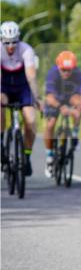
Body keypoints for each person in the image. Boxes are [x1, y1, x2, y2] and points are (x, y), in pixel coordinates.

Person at [0, 21, 40, 176]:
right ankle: (1, 143)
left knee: (31, 121)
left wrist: (37, 97)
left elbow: (31, 76)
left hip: (22, 86)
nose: (11, 46)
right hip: (4, 86)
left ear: (19, 39)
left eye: (14, 42)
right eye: (7, 42)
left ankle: (26, 156)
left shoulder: (26, 50)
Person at [43, 50, 81, 178]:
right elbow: (49, 97)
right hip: (56, 99)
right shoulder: (52, 74)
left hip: (70, 97)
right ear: (58, 67)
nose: (66, 73)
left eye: (69, 70)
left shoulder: (79, 74)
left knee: (78, 105)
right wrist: (60, 107)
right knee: (50, 124)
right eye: (63, 70)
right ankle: (49, 156)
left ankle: (74, 134)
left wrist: (80, 106)